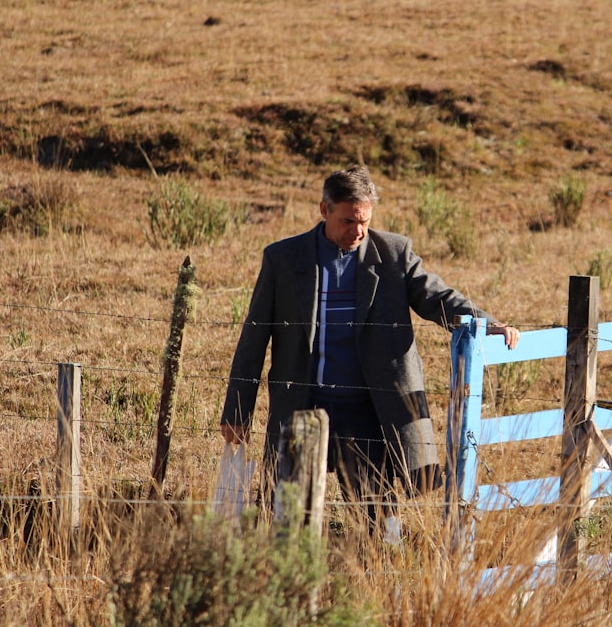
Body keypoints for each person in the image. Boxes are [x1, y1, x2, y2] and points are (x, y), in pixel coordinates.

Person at [220, 164, 519, 530]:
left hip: (365, 411)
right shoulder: (283, 259)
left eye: (364, 221)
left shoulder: (394, 253)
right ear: (324, 210)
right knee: (286, 518)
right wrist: (237, 411)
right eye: (347, 221)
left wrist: (485, 323)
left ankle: (375, 577)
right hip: (301, 408)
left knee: (374, 522)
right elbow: (253, 338)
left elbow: (437, 297)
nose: (357, 231)